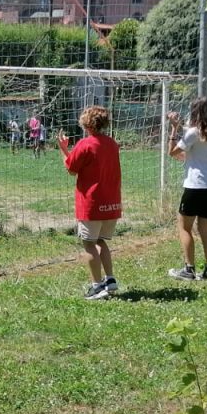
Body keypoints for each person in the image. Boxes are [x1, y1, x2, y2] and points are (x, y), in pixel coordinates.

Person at [59, 105, 122, 300]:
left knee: (89, 244)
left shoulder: (85, 144)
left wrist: (63, 149)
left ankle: (96, 286)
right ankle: (110, 279)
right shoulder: (112, 143)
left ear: (86, 123)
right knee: (102, 241)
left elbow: (71, 169)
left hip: (92, 203)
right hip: (111, 202)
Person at [166, 98, 207, 281]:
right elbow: (193, 152)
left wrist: (174, 129)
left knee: (185, 227)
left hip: (195, 187)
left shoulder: (193, 133)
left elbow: (173, 152)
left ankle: (189, 270)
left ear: (195, 113)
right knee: (205, 230)